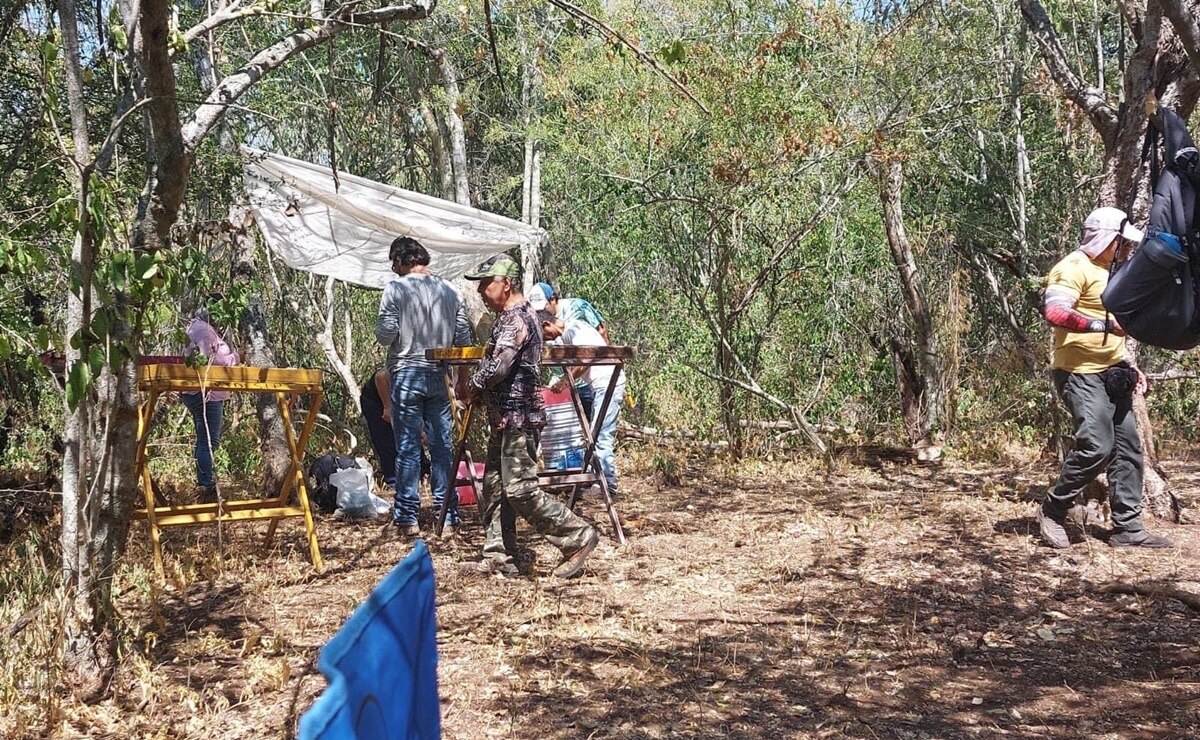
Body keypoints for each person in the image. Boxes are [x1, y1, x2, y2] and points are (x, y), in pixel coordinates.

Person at [1039, 206, 1171, 549]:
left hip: (1114, 372)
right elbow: (1054, 312)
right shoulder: (1072, 267)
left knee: (1129, 449)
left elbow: (1116, 328)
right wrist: (1104, 325)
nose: (1126, 249)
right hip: (1078, 373)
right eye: (1121, 242)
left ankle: (1128, 529)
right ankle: (1053, 510)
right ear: (1107, 239)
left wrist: (1129, 363)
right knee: (1098, 445)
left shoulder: (1116, 270)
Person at [460, 255, 599, 578]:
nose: (481, 291)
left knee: (520, 489)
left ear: (505, 284)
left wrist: (474, 387)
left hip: (519, 418)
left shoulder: (517, 320)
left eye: (486, 284)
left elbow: (500, 366)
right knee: (494, 486)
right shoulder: (514, 317)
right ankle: (500, 555)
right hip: (506, 417)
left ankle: (576, 535)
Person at [376, 236, 473, 536]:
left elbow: (385, 334)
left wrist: (403, 329)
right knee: (442, 446)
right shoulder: (450, 290)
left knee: (407, 447)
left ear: (404, 259)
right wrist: (463, 380)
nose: (393, 269)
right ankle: (448, 514)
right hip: (441, 375)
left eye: (394, 262)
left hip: (407, 372)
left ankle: (407, 517)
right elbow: (463, 339)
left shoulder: (396, 289)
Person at [539, 310, 626, 498]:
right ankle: (597, 480)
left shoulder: (575, 328)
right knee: (595, 433)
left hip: (607, 382)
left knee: (601, 435)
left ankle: (608, 485)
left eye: (544, 334)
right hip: (600, 385)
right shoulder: (569, 334)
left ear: (547, 324)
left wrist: (565, 382)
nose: (546, 339)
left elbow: (587, 357)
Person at [181, 302, 239, 504]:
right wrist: (239, 357)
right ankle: (206, 486)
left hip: (201, 390)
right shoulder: (203, 330)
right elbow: (217, 361)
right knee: (209, 440)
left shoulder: (198, 327)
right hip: (206, 392)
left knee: (205, 439)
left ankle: (205, 483)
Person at [528, 282, 609, 418]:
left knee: (594, 422)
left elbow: (601, 333)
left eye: (543, 308)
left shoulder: (577, 307)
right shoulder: (539, 321)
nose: (540, 313)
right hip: (560, 382)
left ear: (553, 300)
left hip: (587, 381)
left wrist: (609, 370)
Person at [359, 368, 432, 491]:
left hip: (403, 401)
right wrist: (387, 407)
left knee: (412, 436)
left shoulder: (435, 387)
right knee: (386, 439)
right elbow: (381, 376)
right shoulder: (410, 371)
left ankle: (423, 473)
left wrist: (424, 431)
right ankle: (393, 480)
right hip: (376, 398)